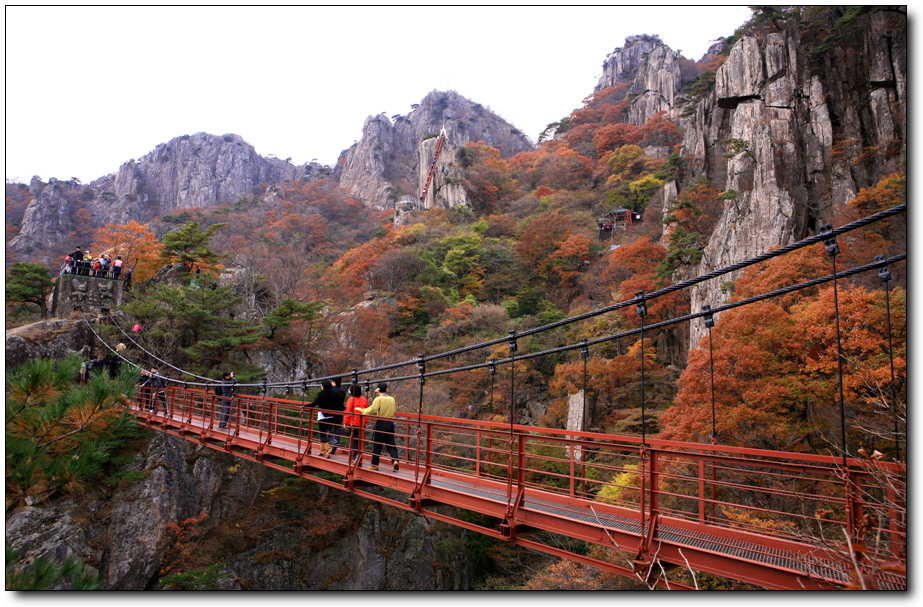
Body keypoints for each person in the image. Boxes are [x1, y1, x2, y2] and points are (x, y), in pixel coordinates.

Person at [359, 383, 400, 472]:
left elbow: (372, 409)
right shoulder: (392, 399)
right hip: (390, 424)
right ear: (386, 390)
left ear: (378, 391)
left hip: (381, 423)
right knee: (391, 444)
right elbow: (394, 411)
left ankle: (374, 464)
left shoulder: (378, 399)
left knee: (377, 444)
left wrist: (362, 410)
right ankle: (395, 460)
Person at [309, 381, 338, 458]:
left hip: (322, 417)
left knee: (323, 434)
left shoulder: (322, 393)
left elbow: (314, 404)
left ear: (323, 386)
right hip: (331, 417)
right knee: (326, 433)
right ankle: (322, 451)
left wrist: (304, 406)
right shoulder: (333, 394)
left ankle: (328, 450)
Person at [343, 383, 368, 462]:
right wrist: (365, 422)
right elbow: (366, 411)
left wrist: (345, 422)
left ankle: (355, 455)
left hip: (353, 423)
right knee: (360, 440)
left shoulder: (351, 399)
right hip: (361, 423)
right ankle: (359, 455)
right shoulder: (364, 399)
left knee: (354, 440)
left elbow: (348, 411)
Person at [328, 377, 348, 455]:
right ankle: (334, 447)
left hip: (331, 412)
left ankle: (333, 442)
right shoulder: (343, 390)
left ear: (334, 382)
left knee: (327, 429)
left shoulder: (332, 390)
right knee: (337, 430)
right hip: (339, 412)